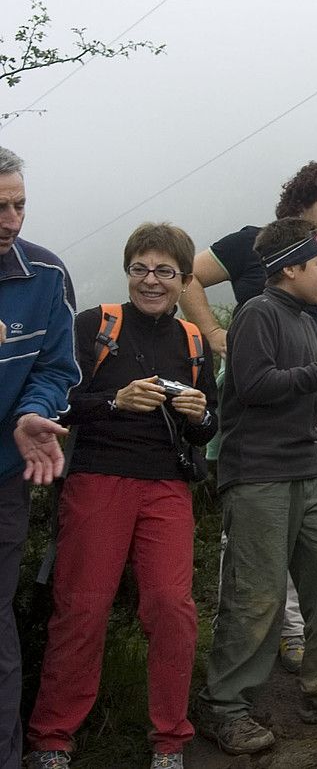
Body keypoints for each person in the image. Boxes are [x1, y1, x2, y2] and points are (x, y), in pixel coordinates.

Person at [178, 162, 317, 671]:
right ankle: (277, 632)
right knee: (259, 522)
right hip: (264, 406)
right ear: (300, 206)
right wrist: (214, 335)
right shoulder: (255, 245)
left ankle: (301, 633)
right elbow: (189, 279)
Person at [26, 223, 218, 769]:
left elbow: (209, 427)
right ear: (128, 270)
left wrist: (200, 414)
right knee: (81, 607)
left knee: (172, 609)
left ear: (183, 281)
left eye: (164, 272)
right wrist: (117, 401)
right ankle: (53, 738)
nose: (150, 281)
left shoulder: (194, 341)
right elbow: (61, 404)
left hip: (166, 486)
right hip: (98, 479)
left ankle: (170, 742)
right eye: (140, 269)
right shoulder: (95, 326)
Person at [196, 218, 317, 755]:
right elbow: (252, 387)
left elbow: (302, 394)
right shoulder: (258, 312)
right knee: (258, 596)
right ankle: (224, 707)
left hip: (305, 468)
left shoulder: (303, 322)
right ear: (290, 268)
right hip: (257, 473)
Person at [0, 147, 80, 769]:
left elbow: (57, 366)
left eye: (19, 204)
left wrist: (34, 411)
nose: (12, 220)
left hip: (7, 476)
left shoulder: (47, 276)